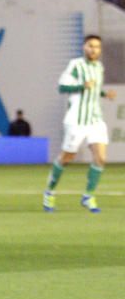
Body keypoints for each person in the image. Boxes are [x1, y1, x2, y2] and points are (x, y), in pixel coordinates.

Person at [43, 35, 116, 213]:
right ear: (84, 47)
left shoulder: (99, 67)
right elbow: (62, 87)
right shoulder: (76, 65)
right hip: (76, 120)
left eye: (97, 47)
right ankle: (50, 192)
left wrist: (104, 94)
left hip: (95, 119)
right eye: (90, 46)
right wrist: (81, 86)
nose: (94, 49)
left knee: (101, 158)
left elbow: (94, 90)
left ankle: (88, 196)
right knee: (66, 158)